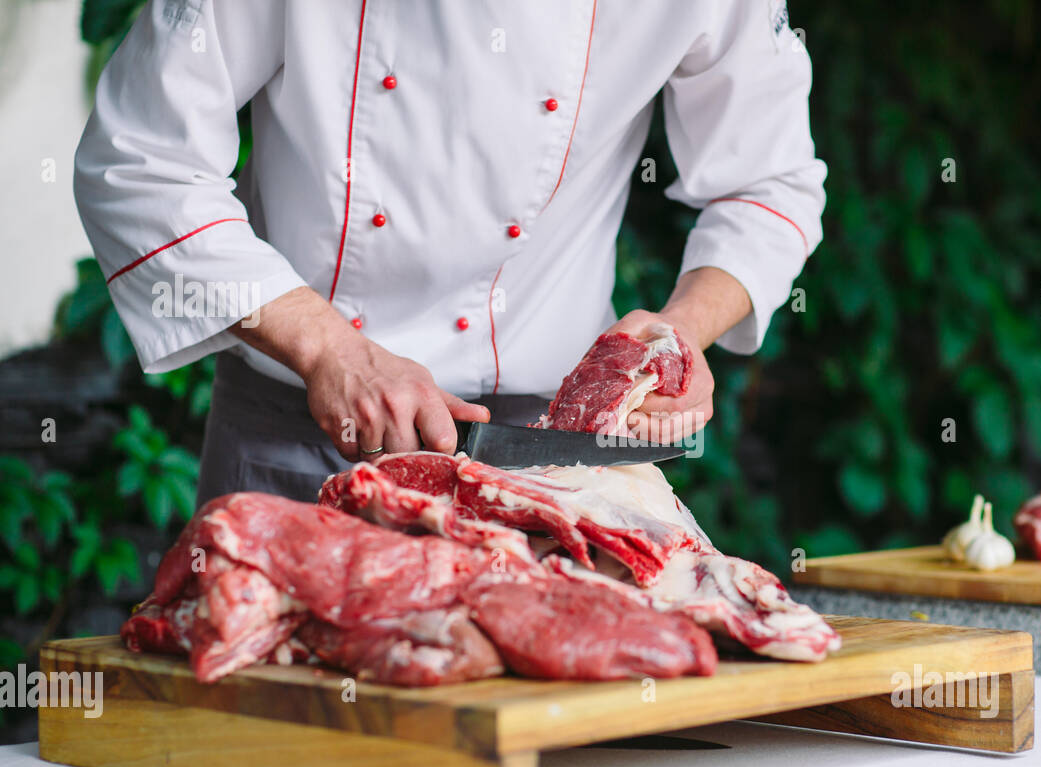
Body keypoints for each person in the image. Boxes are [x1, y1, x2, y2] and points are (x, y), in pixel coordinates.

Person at [74, 0, 825, 504]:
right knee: (280, 731)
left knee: (545, 725)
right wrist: (333, 350)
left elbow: (769, 181)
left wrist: (680, 333)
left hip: (554, 463)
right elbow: (141, 160)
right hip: (295, 449)